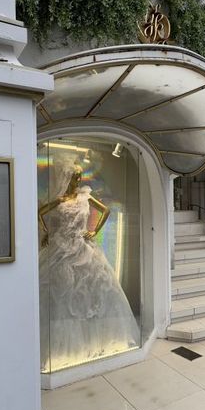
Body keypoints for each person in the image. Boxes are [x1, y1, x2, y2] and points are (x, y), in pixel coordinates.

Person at [37, 155, 140, 372]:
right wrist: (45, 233)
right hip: (62, 247)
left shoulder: (85, 197)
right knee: (63, 293)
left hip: (84, 247)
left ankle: (100, 340)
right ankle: (62, 349)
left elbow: (106, 210)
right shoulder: (60, 201)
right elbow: (40, 213)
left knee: (95, 289)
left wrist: (94, 230)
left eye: (79, 177)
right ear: (66, 179)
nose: (77, 181)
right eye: (74, 177)